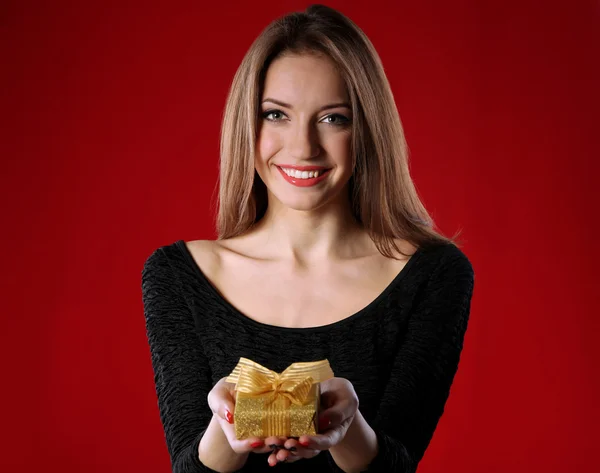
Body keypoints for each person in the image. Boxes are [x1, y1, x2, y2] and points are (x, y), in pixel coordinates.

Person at [141, 4, 475, 473]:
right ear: (247, 124)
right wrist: (226, 429)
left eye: (333, 119)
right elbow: (186, 467)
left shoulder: (433, 275)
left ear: (367, 129)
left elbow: (399, 465)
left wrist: (348, 427)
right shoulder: (179, 276)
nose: (302, 147)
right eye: (276, 114)